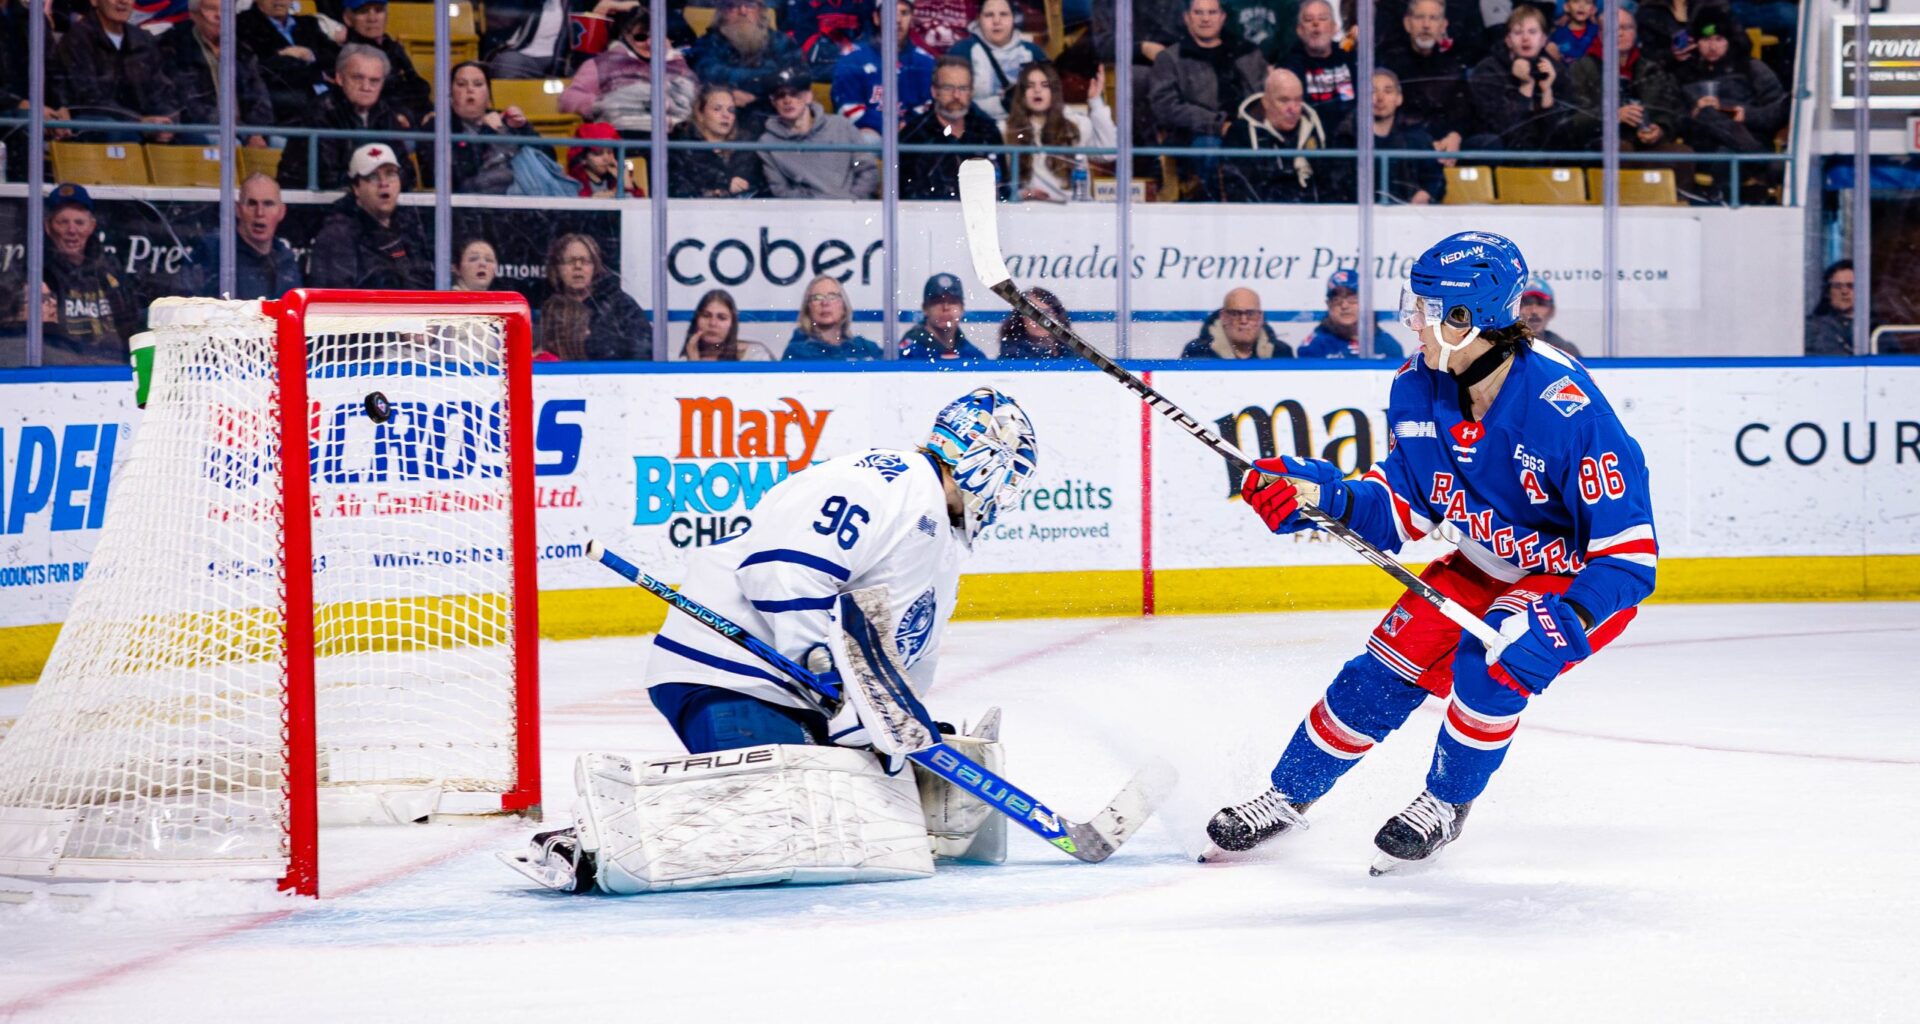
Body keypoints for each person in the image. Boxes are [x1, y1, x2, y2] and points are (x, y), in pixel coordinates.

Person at [1206, 230, 1657, 875]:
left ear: (1466, 318)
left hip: (1570, 579)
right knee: (1378, 675)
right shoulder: (1416, 384)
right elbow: (1404, 507)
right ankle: (1287, 796)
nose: (1412, 321)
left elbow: (1631, 557)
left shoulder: (1568, 410)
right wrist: (1324, 496)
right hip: (1480, 563)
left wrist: (1569, 620)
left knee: (1490, 665)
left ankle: (1446, 803)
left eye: (1425, 308)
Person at [514, 387, 1038, 895]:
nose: (1008, 491)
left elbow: (895, 652)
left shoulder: (941, 540)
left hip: (798, 696)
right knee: (784, 824)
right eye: (1010, 472)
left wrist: (899, 724)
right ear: (981, 458)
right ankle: (590, 843)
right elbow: (783, 571)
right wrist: (830, 679)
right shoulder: (884, 483)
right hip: (731, 675)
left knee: (851, 831)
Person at [1150, 0, 1270, 202]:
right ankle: (1216, 209)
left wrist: (1249, 124)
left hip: (1248, 128)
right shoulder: (1170, 58)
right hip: (1198, 134)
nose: (1205, 19)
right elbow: (1165, 106)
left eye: (1212, 12)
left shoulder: (1248, 53)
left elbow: (1264, 95)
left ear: (1222, 17)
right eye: (1198, 13)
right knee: (1209, 149)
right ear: (1187, 18)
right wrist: (1216, 124)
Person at [1672, 5, 1785, 202]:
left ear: (1730, 41)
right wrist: (1694, 113)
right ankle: (1762, 161)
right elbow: (1671, 117)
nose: (1712, 46)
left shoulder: (1752, 69)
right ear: (1695, 42)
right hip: (1704, 146)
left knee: (1726, 153)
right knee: (1707, 114)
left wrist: (1745, 113)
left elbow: (1778, 111)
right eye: (1706, 39)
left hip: (1749, 137)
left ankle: (1719, 198)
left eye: (1719, 39)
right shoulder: (1684, 74)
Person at [278, 45, 420, 192]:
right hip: (317, 200)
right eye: (358, 78)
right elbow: (328, 178)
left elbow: (407, 172)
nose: (366, 87)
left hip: (370, 197)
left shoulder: (385, 113)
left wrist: (379, 181)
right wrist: (380, 179)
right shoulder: (320, 113)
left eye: (374, 81)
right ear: (339, 78)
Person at [1563, 7, 1689, 161]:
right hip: (1599, 143)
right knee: (1621, 149)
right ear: (1601, 35)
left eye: (1626, 28)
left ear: (1635, 33)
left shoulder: (1652, 69)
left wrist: (1661, 128)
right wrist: (1612, 115)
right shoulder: (1581, 68)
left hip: (1643, 142)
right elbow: (1573, 120)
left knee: (1683, 154)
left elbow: (1671, 110)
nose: (1620, 34)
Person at [36, 183, 140, 364]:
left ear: (92, 226)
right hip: (62, 370)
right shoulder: (38, 273)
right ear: (48, 227)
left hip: (116, 367)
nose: (72, 230)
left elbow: (131, 326)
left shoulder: (110, 269)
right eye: (63, 222)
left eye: (79, 222)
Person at [305, 144, 434, 290]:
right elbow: (336, 297)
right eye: (373, 177)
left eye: (391, 174)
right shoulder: (337, 237)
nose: (384, 183)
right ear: (356, 188)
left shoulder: (412, 227)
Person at [50, 0, 179, 141]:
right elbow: (88, 98)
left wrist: (165, 120)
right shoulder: (77, 39)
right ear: (94, 1)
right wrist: (138, 122)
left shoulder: (143, 40)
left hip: (145, 125)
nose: (123, 1)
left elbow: (162, 90)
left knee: (189, 135)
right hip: (99, 126)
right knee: (122, 133)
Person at [559, 8, 697, 140]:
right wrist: (601, 104)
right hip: (622, 137)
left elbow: (697, 103)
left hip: (672, 139)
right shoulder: (603, 64)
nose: (649, 43)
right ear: (625, 37)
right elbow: (568, 98)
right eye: (641, 37)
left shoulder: (680, 67)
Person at [1221, 68, 1348, 204]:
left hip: (1313, 212)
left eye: (1298, 100)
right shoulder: (1241, 133)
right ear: (1266, 102)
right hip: (1264, 213)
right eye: (1284, 100)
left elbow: (1333, 183)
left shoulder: (1318, 128)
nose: (1293, 109)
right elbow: (1239, 190)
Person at [159, 0, 274, 147]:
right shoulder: (174, 47)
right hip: (201, 129)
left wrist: (255, 133)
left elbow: (260, 99)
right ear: (193, 14)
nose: (220, 15)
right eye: (210, 9)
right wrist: (244, 134)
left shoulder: (242, 50)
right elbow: (190, 106)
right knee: (230, 145)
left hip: (244, 131)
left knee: (280, 144)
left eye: (226, 10)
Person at [688, 0, 811, 132]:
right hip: (727, 123)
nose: (743, 11)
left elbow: (800, 74)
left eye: (750, 5)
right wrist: (729, 94)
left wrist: (753, 93)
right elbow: (709, 73)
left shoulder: (780, 41)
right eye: (733, 6)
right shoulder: (708, 44)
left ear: (761, 11)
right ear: (722, 12)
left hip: (777, 119)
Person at [1000, 61, 1113, 202]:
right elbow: (1001, 187)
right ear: (1022, 93)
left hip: (1072, 210)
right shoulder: (1005, 129)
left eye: (1044, 85)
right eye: (1030, 86)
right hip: (1028, 209)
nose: (1037, 90)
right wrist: (1022, 195)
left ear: (1054, 91)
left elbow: (1108, 154)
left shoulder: (1077, 125)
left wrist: (1096, 102)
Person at [759, 66, 879, 199]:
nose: (788, 100)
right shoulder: (767, 143)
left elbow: (867, 169)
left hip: (852, 205)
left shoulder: (840, 125)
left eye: (795, 93)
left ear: (808, 96)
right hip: (806, 209)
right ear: (773, 101)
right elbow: (781, 190)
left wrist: (853, 200)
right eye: (780, 95)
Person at [1465, 5, 1569, 152]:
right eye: (1518, 32)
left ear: (1543, 40)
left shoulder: (1555, 71)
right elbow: (1502, 130)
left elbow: (1560, 137)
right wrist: (1525, 87)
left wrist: (1547, 93)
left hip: (1544, 155)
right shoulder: (1488, 70)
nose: (1525, 38)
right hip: (1505, 152)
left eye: (1532, 32)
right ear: (1508, 40)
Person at [899, 54, 1003, 199]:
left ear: (972, 92)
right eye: (948, 88)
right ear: (934, 92)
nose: (956, 95)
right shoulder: (913, 136)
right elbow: (904, 195)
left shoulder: (987, 130)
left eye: (963, 88)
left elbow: (1004, 187)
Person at [1376, 0, 1468, 160]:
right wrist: (1428, 143)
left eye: (1433, 18)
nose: (1426, 25)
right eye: (1419, 17)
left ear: (1443, 25)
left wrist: (1455, 136)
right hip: (1406, 142)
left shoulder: (1452, 67)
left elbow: (1463, 112)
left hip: (1446, 143)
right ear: (1407, 24)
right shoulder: (1390, 63)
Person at [832, 0, 935, 138]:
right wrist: (891, 126)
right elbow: (848, 108)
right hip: (869, 134)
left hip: (914, 136)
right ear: (876, 18)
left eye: (904, 13)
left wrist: (907, 126)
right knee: (867, 139)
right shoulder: (852, 59)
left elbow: (929, 106)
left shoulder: (926, 62)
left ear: (912, 17)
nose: (897, 20)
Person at [543, 232, 652, 360]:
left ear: (595, 267)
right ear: (557, 269)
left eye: (585, 261)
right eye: (570, 261)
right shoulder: (551, 308)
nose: (578, 266)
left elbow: (643, 352)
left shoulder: (621, 305)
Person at [443, 61, 543, 195]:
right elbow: (459, 177)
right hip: (472, 203)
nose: (470, 89)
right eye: (461, 84)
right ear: (450, 96)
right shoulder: (440, 127)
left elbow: (548, 159)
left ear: (488, 97)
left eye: (478, 84)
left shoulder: (507, 121)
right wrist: (487, 132)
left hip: (526, 198)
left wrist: (523, 129)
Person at [237, 0, 340, 128]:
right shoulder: (242, 25)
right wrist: (280, 56)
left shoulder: (309, 24)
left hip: (328, 107)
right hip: (284, 113)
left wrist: (310, 54)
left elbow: (337, 57)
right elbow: (258, 68)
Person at [1349, 68, 1442, 204]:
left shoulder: (1416, 137)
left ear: (1399, 99)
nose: (1380, 98)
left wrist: (1425, 194)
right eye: (1372, 92)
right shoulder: (1347, 137)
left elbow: (1436, 180)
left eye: (1388, 91)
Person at [946, 0, 1046, 120]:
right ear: (978, 19)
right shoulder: (961, 52)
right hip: (977, 126)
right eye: (989, 15)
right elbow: (950, 101)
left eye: (1004, 14)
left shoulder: (1032, 52)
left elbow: (1051, 95)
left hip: (1026, 125)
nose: (997, 21)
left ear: (1014, 18)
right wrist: (1000, 104)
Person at [488, 0, 640, 78]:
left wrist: (612, 4)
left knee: (591, 70)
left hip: (566, 58)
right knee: (507, 62)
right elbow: (499, 18)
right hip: (522, 55)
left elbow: (639, 5)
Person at [339, 0, 431, 126]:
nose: (372, 19)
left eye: (378, 10)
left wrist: (429, 112)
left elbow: (417, 86)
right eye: (363, 12)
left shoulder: (393, 48)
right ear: (348, 18)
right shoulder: (344, 55)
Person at [669, 83, 768, 198]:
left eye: (731, 110)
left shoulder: (745, 147)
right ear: (700, 114)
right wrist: (722, 186)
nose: (726, 115)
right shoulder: (680, 144)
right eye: (717, 109)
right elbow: (678, 189)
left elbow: (758, 187)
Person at [221, 173, 304, 300]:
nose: (260, 212)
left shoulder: (286, 260)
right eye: (252, 203)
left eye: (268, 204)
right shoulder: (217, 255)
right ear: (238, 209)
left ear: (281, 212)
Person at [1297, 268, 1405, 359]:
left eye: (1352, 298)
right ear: (1328, 305)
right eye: (1336, 300)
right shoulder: (1314, 347)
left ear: (1366, 302)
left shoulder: (1388, 346)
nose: (1344, 306)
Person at [1280, 0, 1354, 127]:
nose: (1315, 23)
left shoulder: (1349, 58)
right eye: (1308, 20)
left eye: (1323, 18)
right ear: (1299, 30)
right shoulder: (1289, 68)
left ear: (1334, 28)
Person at [782, 274, 883, 359]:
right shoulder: (797, 353)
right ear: (808, 309)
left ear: (844, 307)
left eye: (832, 296)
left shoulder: (865, 348)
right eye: (817, 298)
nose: (825, 303)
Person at [1180, 286, 1293, 358]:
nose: (1244, 320)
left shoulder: (1281, 352)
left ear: (1261, 317)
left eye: (1251, 314)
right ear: (1223, 317)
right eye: (1235, 314)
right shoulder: (1198, 352)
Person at [899, 272, 988, 360]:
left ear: (962, 308)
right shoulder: (907, 354)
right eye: (938, 301)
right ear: (925, 308)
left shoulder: (974, 356)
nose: (946, 307)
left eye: (953, 301)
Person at [682, 288, 776, 360]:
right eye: (706, 316)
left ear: (732, 324)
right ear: (696, 320)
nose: (713, 323)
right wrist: (693, 364)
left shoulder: (756, 356)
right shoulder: (683, 360)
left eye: (722, 318)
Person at [566, 121, 645, 196]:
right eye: (598, 153)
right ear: (583, 159)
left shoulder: (616, 176)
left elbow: (638, 204)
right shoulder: (575, 182)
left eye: (609, 152)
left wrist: (628, 185)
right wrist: (592, 200)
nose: (606, 158)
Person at [996, 286, 1074, 359]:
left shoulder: (1072, 352)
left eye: (1047, 312)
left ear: (1057, 316)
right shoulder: (1011, 356)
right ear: (1020, 317)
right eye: (1032, 313)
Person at [1518, 276, 1581, 357]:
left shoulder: (1567, 351)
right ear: (1516, 309)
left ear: (1552, 310)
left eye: (1541, 303)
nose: (1534, 311)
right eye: (1527, 303)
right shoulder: (1506, 348)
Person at [1803, 260, 1856, 357]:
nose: (1844, 291)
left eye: (1850, 286)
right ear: (1828, 292)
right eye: (1837, 286)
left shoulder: (1875, 329)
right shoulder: (1812, 329)